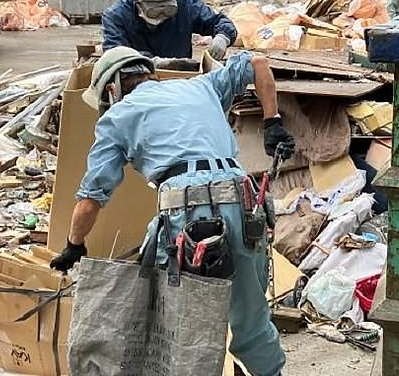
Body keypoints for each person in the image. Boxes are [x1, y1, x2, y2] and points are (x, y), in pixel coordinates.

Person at [49, 46, 295, 376]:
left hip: (187, 215)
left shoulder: (117, 117)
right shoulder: (200, 86)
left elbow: (91, 199)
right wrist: (272, 121)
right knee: (251, 314)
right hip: (243, 202)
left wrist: (74, 244)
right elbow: (258, 62)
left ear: (111, 89)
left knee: (181, 319)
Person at [102, 0, 237, 70]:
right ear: (137, 3)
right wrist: (155, 63)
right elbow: (113, 56)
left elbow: (219, 22)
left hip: (179, 82)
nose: (162, 16)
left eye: (168, 10)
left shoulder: (186, 4)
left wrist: (222, 37)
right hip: (137, 82)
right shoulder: (117, 16)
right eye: (155, 11)